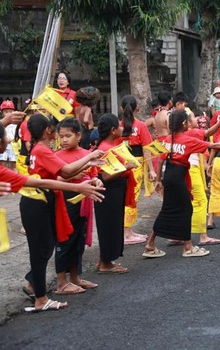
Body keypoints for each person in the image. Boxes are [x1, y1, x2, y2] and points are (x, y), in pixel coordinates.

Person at [19, 115, 104, 312]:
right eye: (59, 133)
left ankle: (34, 285)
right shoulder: (42, 150)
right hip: (38, 202)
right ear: (49, 130)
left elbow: (61, 175)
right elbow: (65, 171)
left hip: (41, 201)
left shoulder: (38, 149)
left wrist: (86, 166)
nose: (63, 138)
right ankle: (40, 297)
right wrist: (90, 157)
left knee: (46, 247)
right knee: (43, 250)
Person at [142, 109, 220, 258]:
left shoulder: (167, 139)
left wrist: (158, 180)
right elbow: (213, 145)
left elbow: (161, 159)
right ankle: (187, 247)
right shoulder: (187, 140)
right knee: (186, 209)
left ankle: (150, 245)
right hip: (178, 177)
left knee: (167, 210)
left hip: (169, 176)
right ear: (184, 123)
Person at [54, 118, 100, 295]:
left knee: (78, 240)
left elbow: (91, 176)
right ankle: (61, 282)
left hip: (83, 201)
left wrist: (94, 181)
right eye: (62, 136)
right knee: (64, 240)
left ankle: (75, 278)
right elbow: (53, 181)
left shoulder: (85, 154)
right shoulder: (56, 156)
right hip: (65, 201)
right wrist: (71, 178)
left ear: (79, 135)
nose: (64, 140)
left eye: (68, 136)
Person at [93, 113, 137, 274]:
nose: (121, 128)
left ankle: (104, 259)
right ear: (112, 130)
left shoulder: (109, 146)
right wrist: (127, 167)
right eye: (118, 126)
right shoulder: (105, 148)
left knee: (110, 224)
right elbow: (105, 175)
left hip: (114, 190)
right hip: (109, 190)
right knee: (109, 225)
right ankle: (106, 263)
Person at [117, 95, 157, 245]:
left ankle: (128, 230)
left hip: (121, 166)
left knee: (126, 197)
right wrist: (152, 170)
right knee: (131, 198)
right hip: (135, 165)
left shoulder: (117, 126)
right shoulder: (140, 126)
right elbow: (147, 149)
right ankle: (126, 233)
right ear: (137, 108)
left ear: (122, 108)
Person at [0, 100, 17, 170]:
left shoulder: (16, 123)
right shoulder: (1, 123)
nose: (8, 114)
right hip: (2, 144)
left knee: (14, 165)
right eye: (6, 112)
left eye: (11, 111)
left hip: (12, 145)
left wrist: (11, 139)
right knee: (2, 164)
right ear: (2, 112)